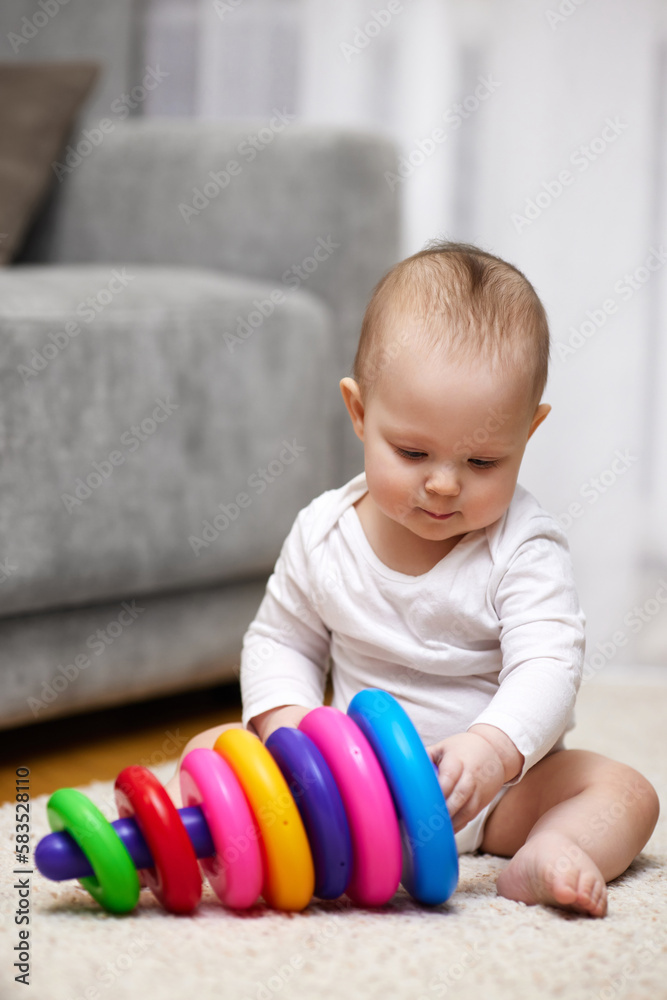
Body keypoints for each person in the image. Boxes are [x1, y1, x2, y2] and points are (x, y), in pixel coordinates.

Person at [165, 240, 659, 917]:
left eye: (483, 461)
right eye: (411, 452)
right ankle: (209, 846)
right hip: (342, 792)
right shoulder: (323, 533)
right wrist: (292, 727)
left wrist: (493, 750)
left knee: (625, 792)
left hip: (492, 798)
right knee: (212, 748)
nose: (443, 484)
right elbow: (280, 641)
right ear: (359, 413)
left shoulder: (522, 547)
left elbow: (548, 664)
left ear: (528, 432)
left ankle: (550, 849)